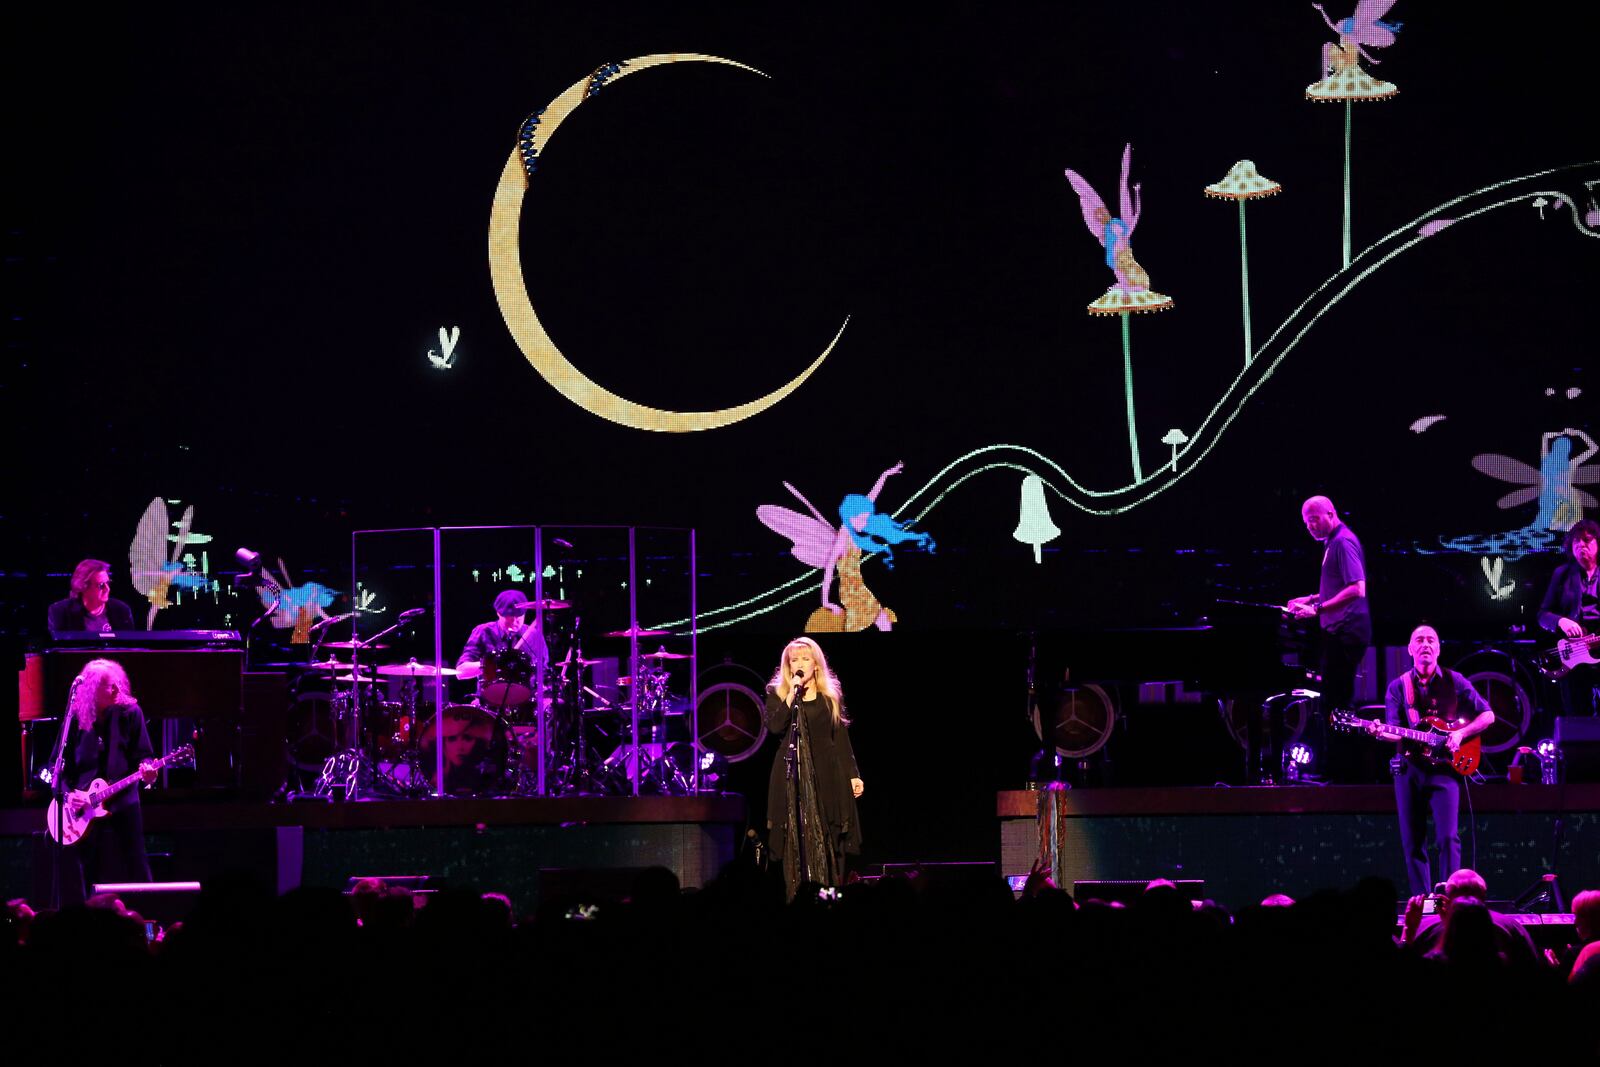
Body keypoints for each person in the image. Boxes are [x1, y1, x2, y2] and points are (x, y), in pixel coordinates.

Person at [1377, 626, 1497, 896]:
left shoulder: (1456, 681)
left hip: (1446, 770)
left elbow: (1488, 715)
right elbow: (1391, 731)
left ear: (1439, 649)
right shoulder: (1398, 687)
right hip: (1409, 769)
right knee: (1413, 842)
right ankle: (1422, 900)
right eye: (1419, 640)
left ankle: (1450, 897)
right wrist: (1377, 730)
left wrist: (1461, 733)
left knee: (1447, 837)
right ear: (1410, 649)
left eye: (1431, 640)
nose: (1425, 645)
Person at [764, 637, 863, 900]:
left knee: (828, 833)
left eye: (805, 658)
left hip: (828, 775)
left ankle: (829, 895)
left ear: (816, 665)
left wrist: (853, 774)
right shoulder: (777, 695)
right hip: (791, 775)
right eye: (794, 659)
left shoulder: (829, 698)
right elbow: (774, 728)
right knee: (794, 836)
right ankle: (796, 899)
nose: (799, 664)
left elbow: (840, 739)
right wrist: (790, 696)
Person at [54, 658, 156, 906]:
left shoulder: (131, 712)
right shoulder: (75, 717)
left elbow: (145, 755)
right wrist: (69, 795)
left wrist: (149, 770)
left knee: (137, 862)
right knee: (89, 866)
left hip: (123, 800)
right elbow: (56, 767)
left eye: (118, 684)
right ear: (92, 689)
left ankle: (151, 923)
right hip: (84, 807)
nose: (117, 690)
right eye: (110, 686)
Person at [1286, 496, 1371, 714]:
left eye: (1314, 519)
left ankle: (1341, 747)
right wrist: (1311, 599)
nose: (1310, 526)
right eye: (1306, 522)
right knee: (1333, 700)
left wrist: (1316, 610)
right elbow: (1339, 585)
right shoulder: (1332, 541)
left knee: (1336, 704)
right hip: (1340, 631)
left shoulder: (1342, 542)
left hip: (1346, 631)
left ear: (1331, 515)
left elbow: (1357, 588)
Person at [1537, 518, 1599, 717]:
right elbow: (1542, 615)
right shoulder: (1562, 574)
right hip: (1575, 657)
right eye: (1576, 541)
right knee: (1577, 715)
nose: (1581, 545)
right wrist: (1561, 621)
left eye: (1587, 540)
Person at [455, 590, 549, 707]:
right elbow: (461, 672)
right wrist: (491, 665)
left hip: (527, 705)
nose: (515, 621)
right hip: (490, 704)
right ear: (498, 614)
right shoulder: (483, 632)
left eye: (519, 616)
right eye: (510, 617)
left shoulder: (534, 636)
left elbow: (545, 675)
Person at [46, 559, 136, 636]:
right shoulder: (60, 612)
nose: (107, 589)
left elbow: (130, 647)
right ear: (83, 586)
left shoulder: (121, 610)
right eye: (101, 585)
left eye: (108, 583)